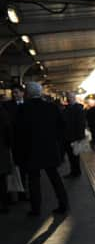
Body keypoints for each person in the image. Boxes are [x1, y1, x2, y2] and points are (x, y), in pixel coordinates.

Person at [15, 81, 68, 216]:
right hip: (50, 149)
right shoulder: (52, 107)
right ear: (40, 93)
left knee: (33, 181)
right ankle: (63, 204)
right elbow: (62, 128)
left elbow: (18, 133)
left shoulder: (23, 109)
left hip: (31, 151)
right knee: (55, 178)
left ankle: (36, 209)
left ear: (27, 93)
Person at [62, 92, 86, 177]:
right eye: (68, 98)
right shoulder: (66, 109)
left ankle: (76, 172)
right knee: (71, 156)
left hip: (76, 137)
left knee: (75, 156)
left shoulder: (79, 109)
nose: (69, 99)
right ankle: (74, 171)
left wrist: (80, 138)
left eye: (71, 98)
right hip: (68, 137)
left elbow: (82, 124)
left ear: (74, 98)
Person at [0, 106, 12, 213]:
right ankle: (5, 202)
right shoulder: (3, 111)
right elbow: (8, 131)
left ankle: (5, 202)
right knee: (2, 180)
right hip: (2, 149)